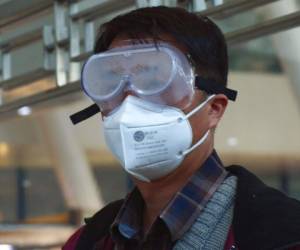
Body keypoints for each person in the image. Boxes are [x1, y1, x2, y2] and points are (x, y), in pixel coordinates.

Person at [64, 6, 300, 250]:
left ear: (214, 109)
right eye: (113, 83)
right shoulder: (87, 240)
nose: (129, 105)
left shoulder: (284, 235)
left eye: (156, 82)